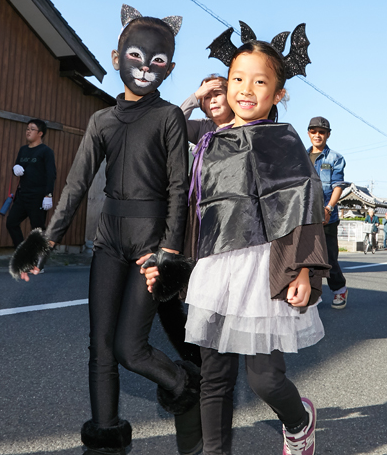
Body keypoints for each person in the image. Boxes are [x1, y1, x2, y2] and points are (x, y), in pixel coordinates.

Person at [11, 5, 202, 455]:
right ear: (117, 58)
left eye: (157, 62)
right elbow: (76, 185)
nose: (145, 68)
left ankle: (185, 384)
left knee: (130, 349)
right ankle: (105, 438)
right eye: (136, 56)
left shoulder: (169, 117)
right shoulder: (101, 120)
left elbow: (179, 188)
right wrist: (44, 242)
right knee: (99, 348)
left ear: (170, 68)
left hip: (150, 243)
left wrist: (169, 252)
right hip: (109, 242)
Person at [145, 24, 328, 455]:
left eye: (260, 82)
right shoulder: (209, 142)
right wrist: (168, 259)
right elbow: (191, 205)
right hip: (215, 267)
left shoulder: (284, 140)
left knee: (265, 379)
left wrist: (303, 269)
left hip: (265, 268)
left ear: (278, 93)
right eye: (237, 79)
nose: (246, 89)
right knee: (215, 377)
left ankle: (299, 421)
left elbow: (302, 203)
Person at [307, 116, 349, 309]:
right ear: (309, 133)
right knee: (306, 257)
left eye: (322, 132)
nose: (317, 135)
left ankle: (340, 289)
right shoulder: (301, 156)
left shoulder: (335, 158)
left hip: (327, 216)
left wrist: (328, 208)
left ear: (328, 135)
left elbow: (337, 186)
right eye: (314, 131)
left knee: (329, 257)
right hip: (305, 215)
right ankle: (311, 294)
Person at [6, 119, 56, 247]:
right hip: (22, 195)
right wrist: (15, 169)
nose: (28, 132)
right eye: (27, 129)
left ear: (40, 133)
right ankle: (23, 253)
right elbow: (17, 166)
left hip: (38, 196)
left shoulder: (46, 151)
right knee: (11, 223)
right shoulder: (23, 150)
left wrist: (48, 195)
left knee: (37, 230)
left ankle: (39, 258)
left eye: (32, 129)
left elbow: (51, 174)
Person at [180, 74, 234, 144]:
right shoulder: (201, 127)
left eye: (217, 94)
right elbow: (175, 123)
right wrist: (196, 96)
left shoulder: (244, 123)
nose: (213, 101)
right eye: (207, 97)